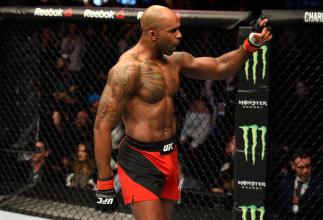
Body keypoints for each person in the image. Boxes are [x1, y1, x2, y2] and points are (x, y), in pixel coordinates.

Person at [94, 5, 272, 220]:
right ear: (152, 34)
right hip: (140, 160)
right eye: (172, 31)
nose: (179, 35)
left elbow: (219, 66)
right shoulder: (127, 70)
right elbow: (102, 125)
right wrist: (104, 182)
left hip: (170, 154)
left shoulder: (174, 62)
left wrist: (249, 45)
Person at [269, 150, 323, 220]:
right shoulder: (283, 183)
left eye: (308, 166)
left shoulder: (320, 185)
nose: (305, 171)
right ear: (293, 166)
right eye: (301, 167)